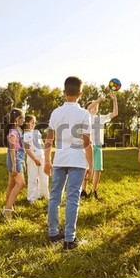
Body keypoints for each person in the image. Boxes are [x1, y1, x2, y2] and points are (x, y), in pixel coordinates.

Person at [44, 76, 93, 251]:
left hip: (59, 160)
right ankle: (69, 239)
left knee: (54, 197)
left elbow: (49, 140)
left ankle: (52, 233)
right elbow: (87, 142)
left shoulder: (56, 113)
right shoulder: (84, 114)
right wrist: (91, 165)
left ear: (64, 93)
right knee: (73, 198)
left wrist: (47, 160)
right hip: (77, 161)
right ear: (80, 94)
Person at [80, 92, 118, 200]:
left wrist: (114, 100)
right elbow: (88, 108)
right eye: (94, 106)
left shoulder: (100, 118)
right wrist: (99, 100)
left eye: (97, 107)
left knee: (97, 169)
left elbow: (115, 113)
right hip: (87, 147)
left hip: (97, 147)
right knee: (86, 168)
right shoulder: (86, 116)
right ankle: (83, 190)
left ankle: (93, 191)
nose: (95, 107)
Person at [2, 108, 26, 220]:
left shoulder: (18, 130)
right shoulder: (13, 132)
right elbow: (12, 150)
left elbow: (20, 148)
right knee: (21, 183)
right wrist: (15, 166)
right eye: (22, 117)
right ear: (17, 118)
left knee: (11, 185)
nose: (24, 119)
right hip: (14, 159)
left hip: (18, 158)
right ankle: (7, 210)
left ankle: (8, 207)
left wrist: (23, 162)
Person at [23, 115, 49, 203]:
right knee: (33, 177)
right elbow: (27, 149)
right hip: (32, 158)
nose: (34, 124)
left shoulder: (37, 132)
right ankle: (32, 197)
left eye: (35, 122)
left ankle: (43, 194)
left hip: (41, 156)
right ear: (27, 123)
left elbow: (41, 145)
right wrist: (35, 160)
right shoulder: (25, 135)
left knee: (44, 176)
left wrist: (45, 156)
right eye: (32, 122)